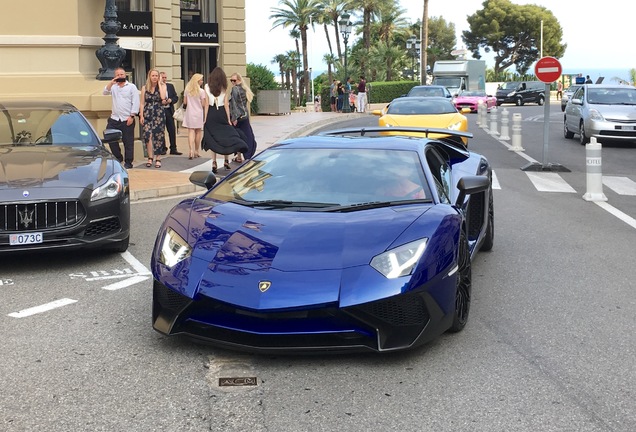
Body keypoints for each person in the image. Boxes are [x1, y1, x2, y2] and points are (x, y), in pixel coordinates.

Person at [202, 67, 248, 174]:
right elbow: (227, 105)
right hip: (222, 113)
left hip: (212, 113)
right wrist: (228, 119)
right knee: (225, 136)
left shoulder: (207, 87)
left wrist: (205, 118)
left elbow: (206, 105)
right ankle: (226, 161)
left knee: (214, 138)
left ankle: (214, 162)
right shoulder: (225, 88)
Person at [102, 67, 139, 169]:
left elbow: (135, 102)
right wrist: (111, 83)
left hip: (127, 118)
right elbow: (104, 92)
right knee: (110, 139)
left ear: (125, 75)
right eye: (118, 75)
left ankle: (128, 162)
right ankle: (118, 157)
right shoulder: (114, 87)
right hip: (114, 118)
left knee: (128, 141)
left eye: (122, 74)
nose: (120, 76)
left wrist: (132, 116)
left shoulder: (131, 87)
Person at [139, 68, 167, 168]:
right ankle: (150, 157)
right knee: (148, 135)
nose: (154, 78)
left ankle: (158, 157)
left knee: (158, 135)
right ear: (149, 77)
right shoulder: (145, 87)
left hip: (158, 113)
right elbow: (142, 103)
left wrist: (159, 84)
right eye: (153, 76)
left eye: (156, 76)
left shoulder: (163, 86)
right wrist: (141, 115)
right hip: (147, 113)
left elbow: (163, 97)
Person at [229, 72, 257, 161]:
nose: (232, 82)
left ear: (239, 80)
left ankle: (241, 156)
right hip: (245, 115)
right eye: (231, 80)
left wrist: (234, 118)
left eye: (234, 80)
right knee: (247, 135)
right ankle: (244, 155)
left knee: (238, 136)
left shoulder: (235, 89)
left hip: (238, 116)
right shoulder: (244, 89)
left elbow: (234, 104)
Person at [182, 73, 208, 159]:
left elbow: (185, 102)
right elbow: (203, 104)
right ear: (198, 81)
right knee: (198, 131)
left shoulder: (187, 90)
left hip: (190, 112)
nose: (202, 81)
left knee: (191, 131)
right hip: (198, 112)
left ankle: (191, 150)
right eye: (201, 80)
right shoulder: (201, 91)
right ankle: (197, 150)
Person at [160, 71, 182, 155]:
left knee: (172, 130)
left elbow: (175, 97)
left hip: (169, 110)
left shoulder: (170, 86)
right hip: (160, 110)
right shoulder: (157, 87)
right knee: (161, 130)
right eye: (163, 77)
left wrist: (171, 100)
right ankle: (162, 148)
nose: (164, 79)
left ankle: (173, 148)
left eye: (165, 77)